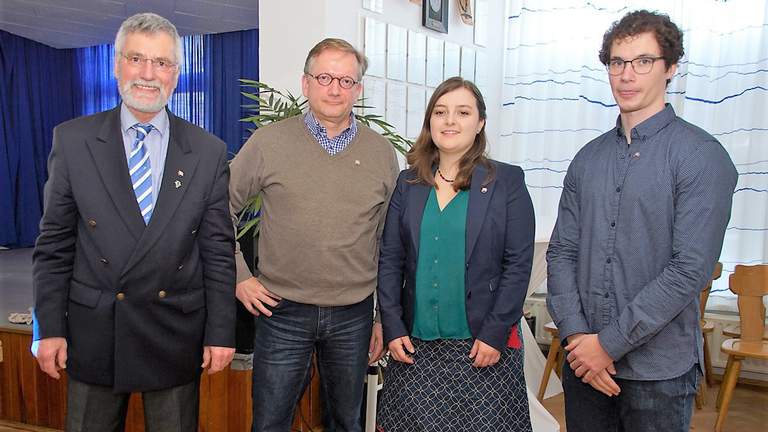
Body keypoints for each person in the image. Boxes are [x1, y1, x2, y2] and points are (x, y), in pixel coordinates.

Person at [31, 12, 236, 431]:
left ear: (177, 73)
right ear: (116, 64)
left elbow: (217, 252)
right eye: (136, 59)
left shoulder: (208, 150)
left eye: (161, 63)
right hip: (96, 331)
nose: (148, 74)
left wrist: (221, 332)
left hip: (174, 331)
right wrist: (47, 327)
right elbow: (53, 247)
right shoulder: (73, 140)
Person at [546, 10, 737, 432]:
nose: (627, 75)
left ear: (670, 68)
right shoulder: (587, 159)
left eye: (643, 61)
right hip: (584, 365)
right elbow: (561, 253)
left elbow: (689, 270)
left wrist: (607, 345)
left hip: (659, 373)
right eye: (617, 62)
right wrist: (579, 339)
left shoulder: (701, 156)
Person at [229, 38, 399, 432]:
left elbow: (390, 242)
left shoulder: (381, 153)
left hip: (354, 313)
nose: (335, 88)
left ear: (358, 89)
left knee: (347, 422)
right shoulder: (267, 143)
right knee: (270, 422)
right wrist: (239, 276)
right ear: (306, 84)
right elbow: (219, 208)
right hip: (281, 310)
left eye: (346, 80)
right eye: (324, 77)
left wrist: (382, 318)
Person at [376, 77, 535, 431]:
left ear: (479, 124)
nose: (450, 121)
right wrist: (391, 325)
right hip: (415, 349)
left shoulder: (505, 182)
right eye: (441, 112)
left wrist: (495, 333)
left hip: (482, 347)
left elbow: (518, 265)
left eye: (463, 112)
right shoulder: (408, 184)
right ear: (429, 121)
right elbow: (390, 260)